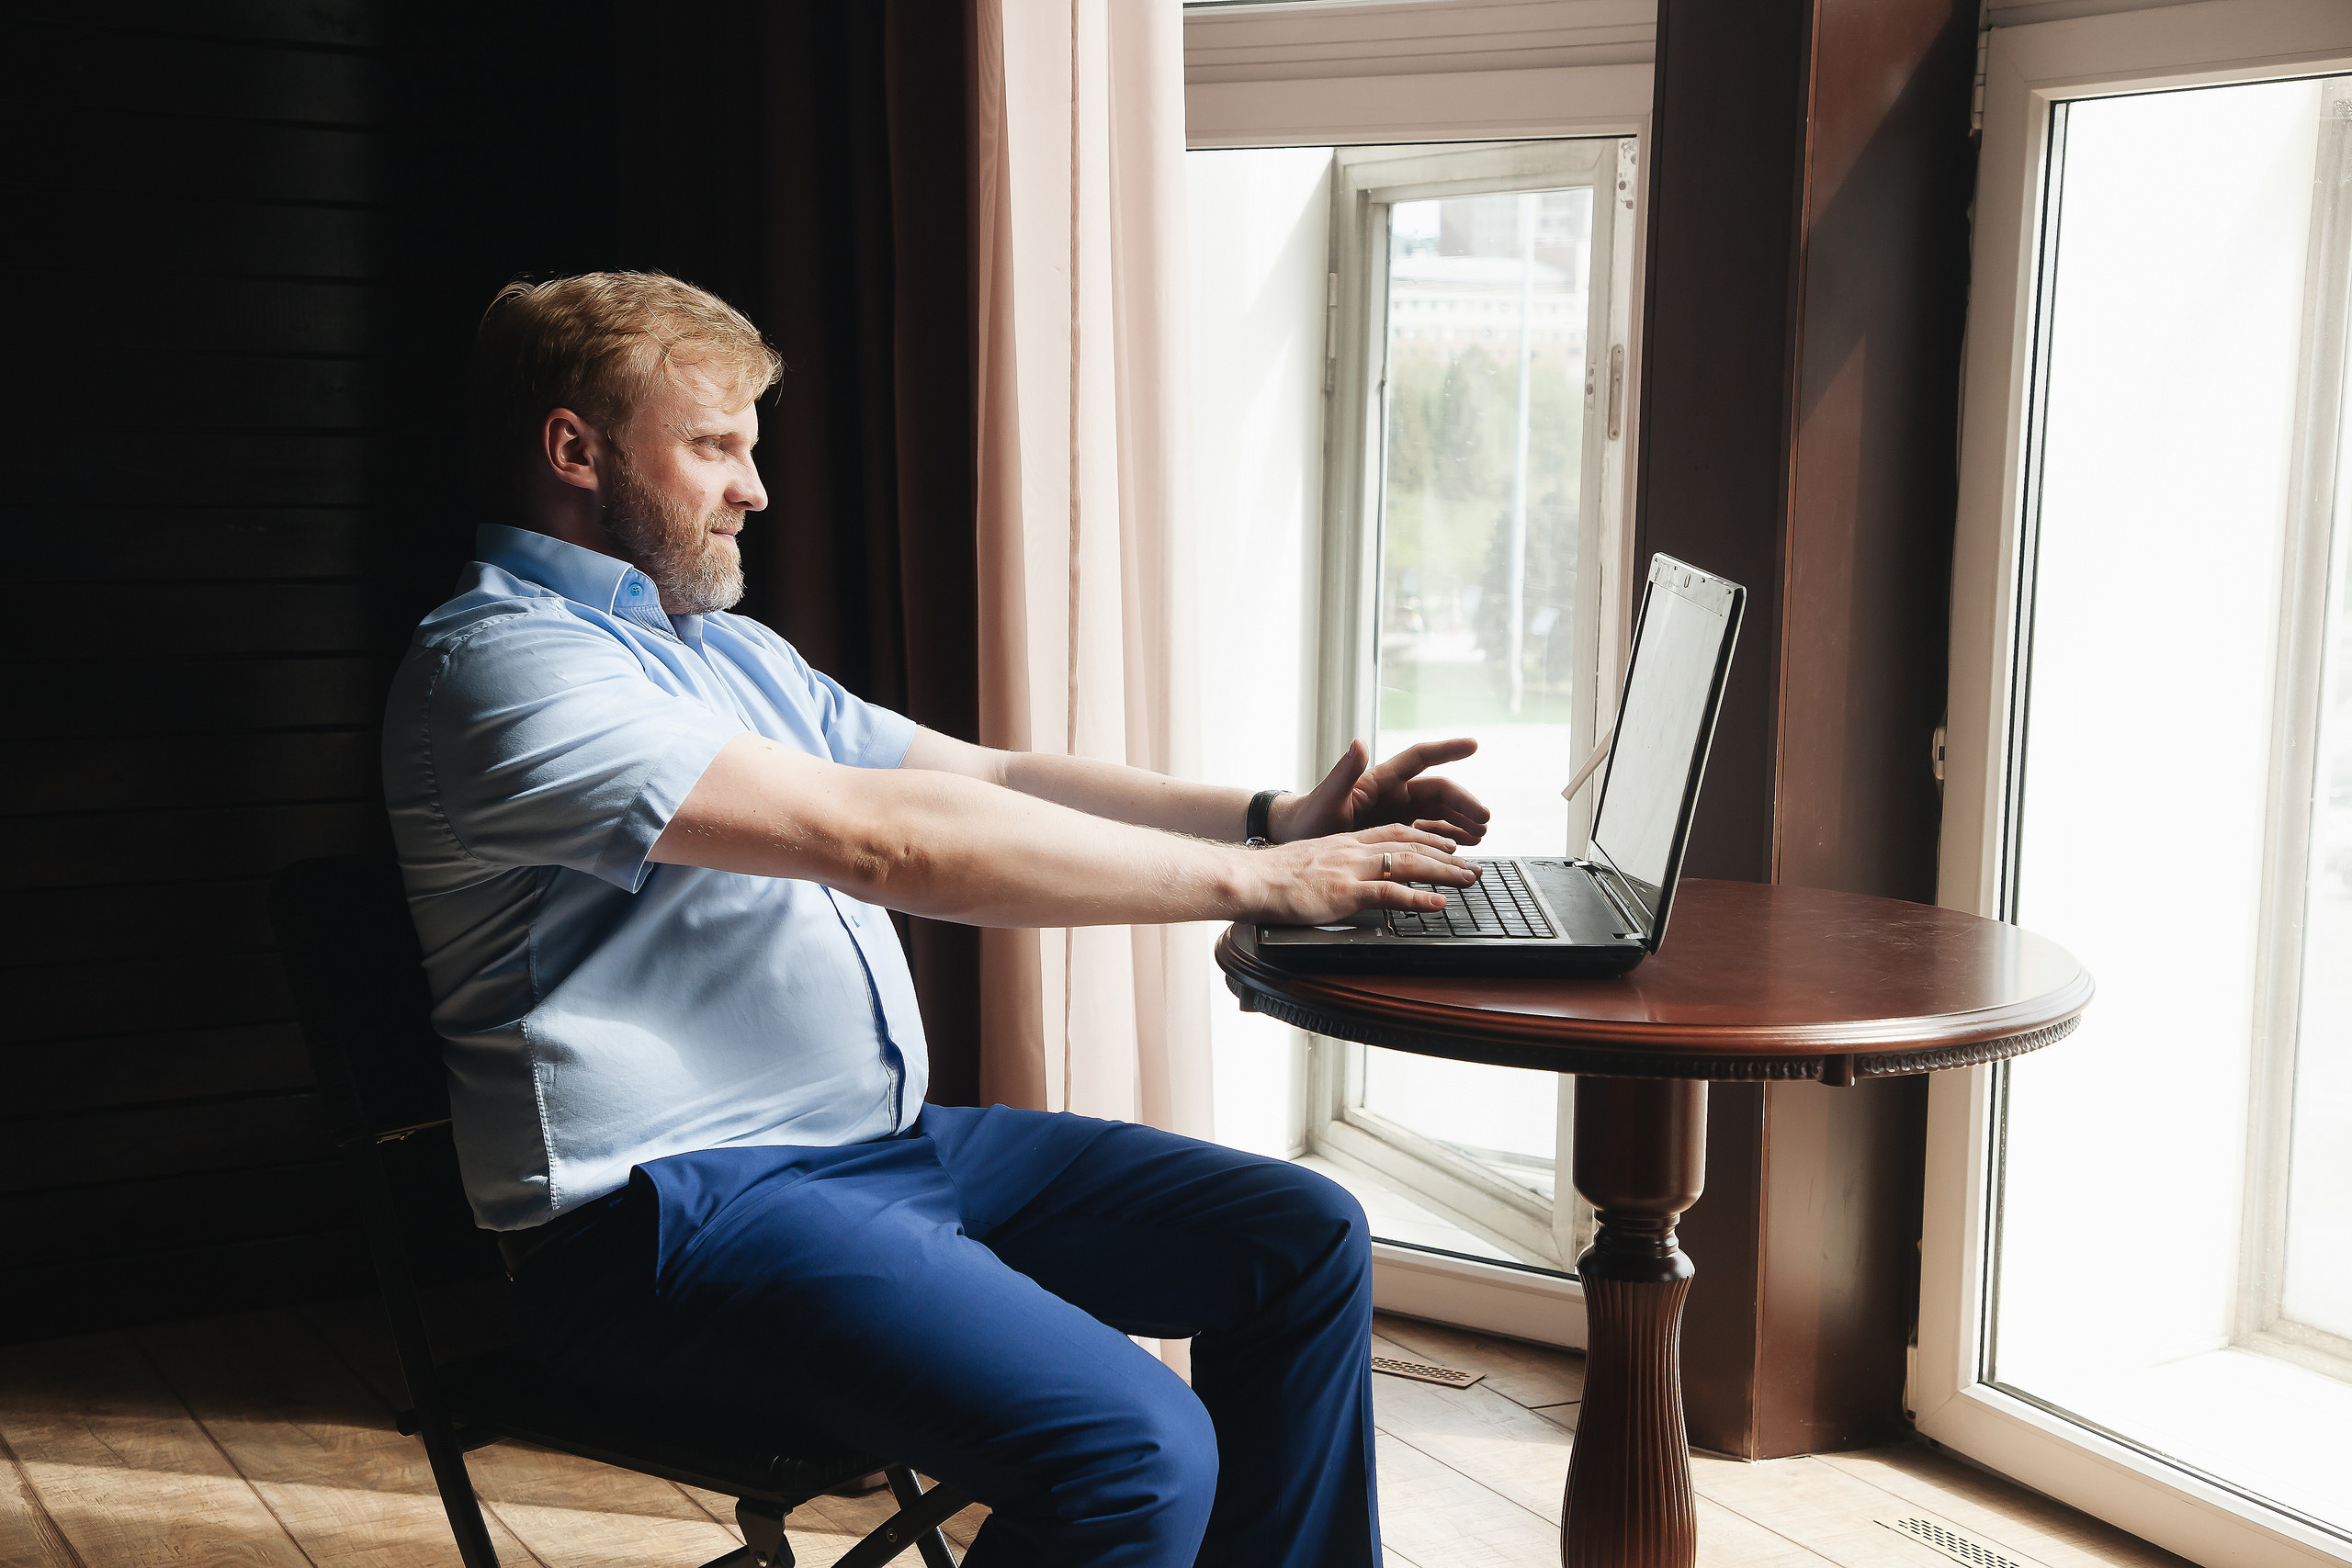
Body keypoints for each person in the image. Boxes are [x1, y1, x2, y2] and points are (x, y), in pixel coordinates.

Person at [382, 271, 1491, 1568]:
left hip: (879, 1155)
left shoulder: (719, 653)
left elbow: (991, 779)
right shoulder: (502, 666)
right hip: (666, 1222)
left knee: (1299, 1238)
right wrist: (1263, 886)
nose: (754, 490)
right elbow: (882, 840)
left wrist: (1271, 822)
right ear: (574, 451)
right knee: (1131, 1452)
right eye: (714, 447)